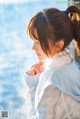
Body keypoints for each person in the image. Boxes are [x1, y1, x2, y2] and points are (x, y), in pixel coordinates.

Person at [24, 5, 80, 119]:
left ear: (59, 45)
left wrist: (32, 86)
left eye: (38, 42)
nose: (32, 47)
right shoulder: (71, 63)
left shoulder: (52, 83)